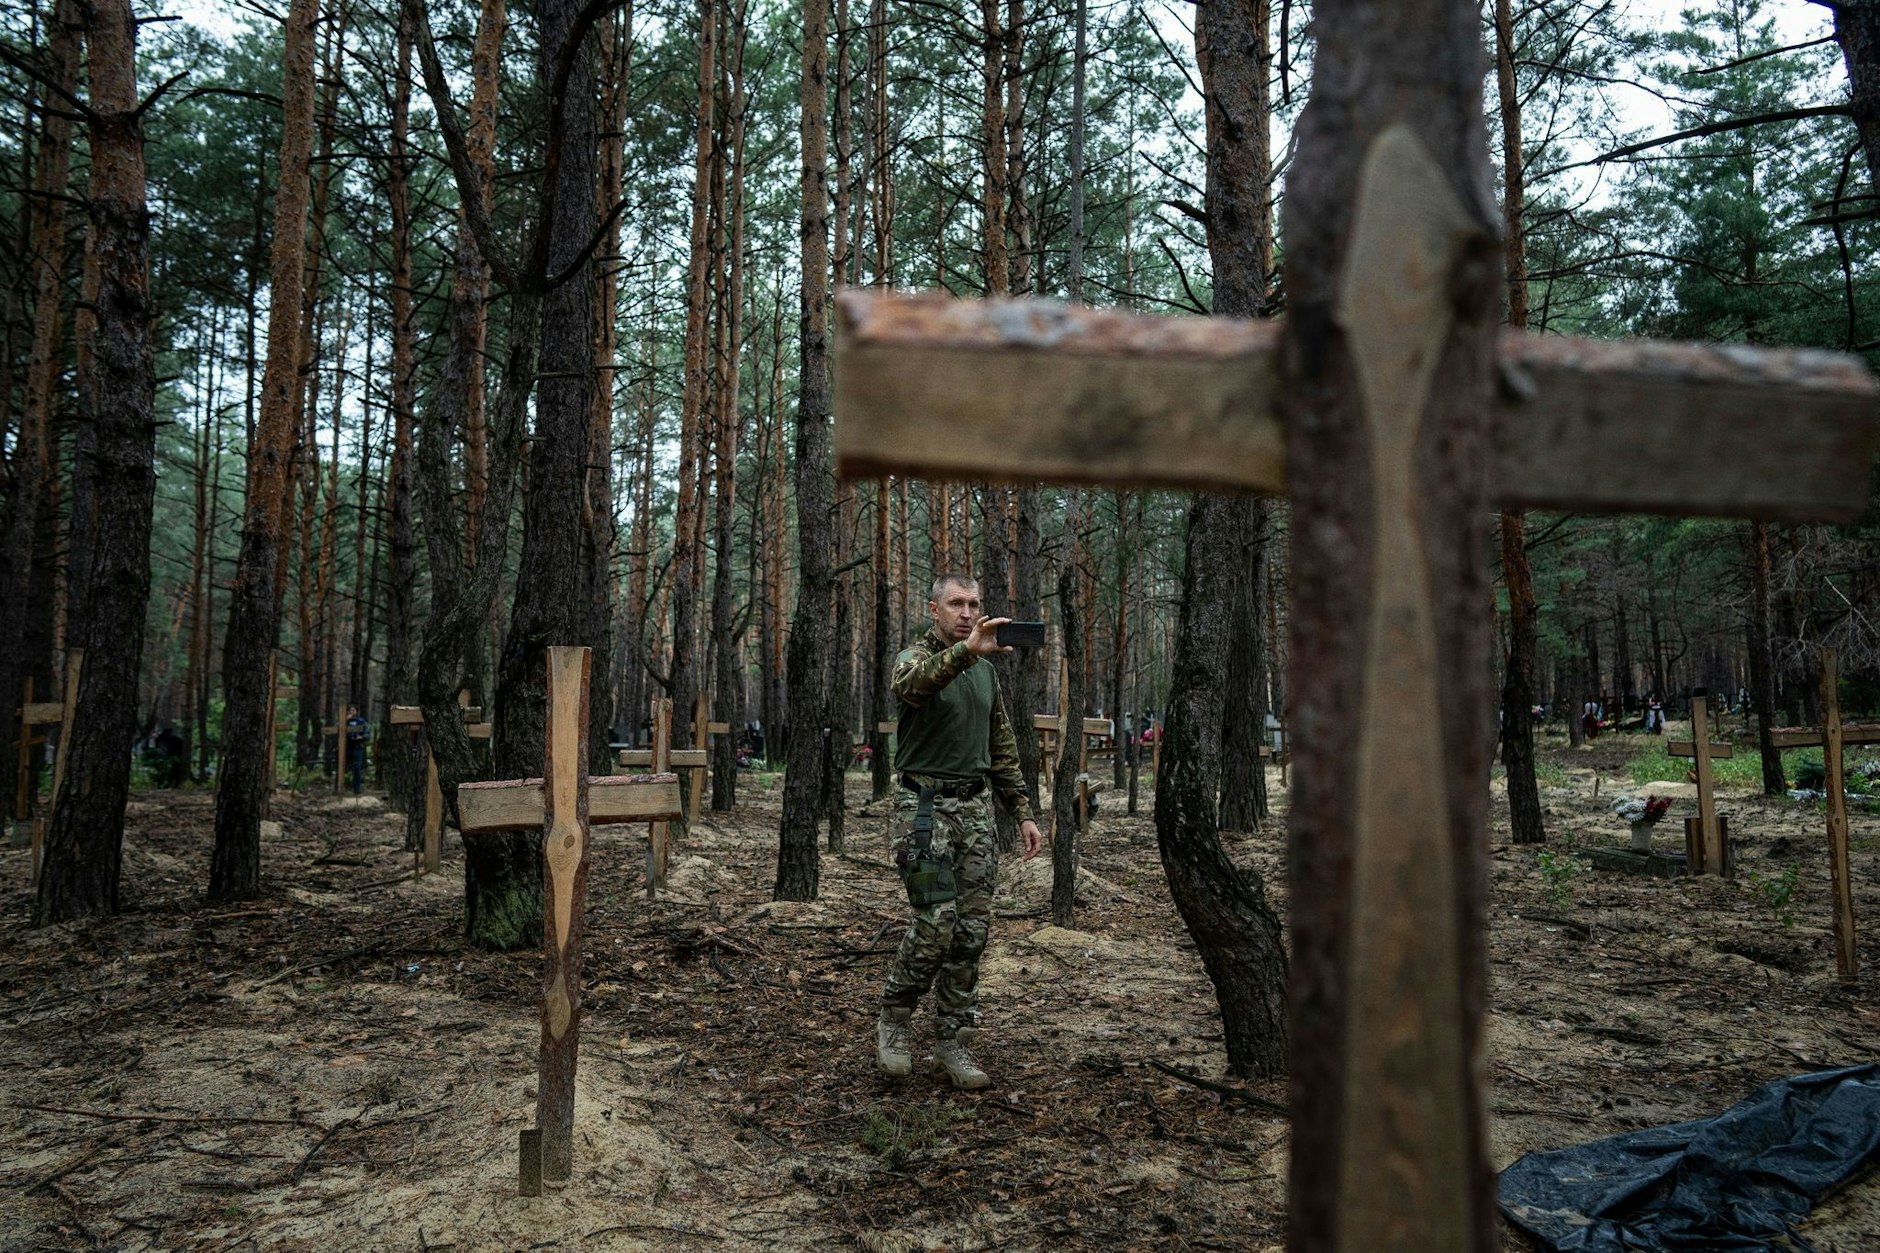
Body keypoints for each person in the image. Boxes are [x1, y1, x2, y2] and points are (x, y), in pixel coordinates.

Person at [877, 573, 1043, 1090]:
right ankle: (895, 1018)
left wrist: (1022, 811)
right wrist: (966, 653)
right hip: (923, 810)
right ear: (935, 610)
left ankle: (951, 1041)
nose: (967, 613)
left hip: (975, 812)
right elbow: (913, 687)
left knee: (971, 931)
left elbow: (1001, 745)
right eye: (956, 604)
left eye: (974, 603)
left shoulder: (986, 673)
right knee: (936, 921)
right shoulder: (915, 658)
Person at [344, 704, 370, 795]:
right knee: (343, 766)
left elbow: (367, 733)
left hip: (358, 746)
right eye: (350, 710)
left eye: (353, 710)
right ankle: (340, 787)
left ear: (357, 712)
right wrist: (345, 720)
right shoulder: (345, 721)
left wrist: (361, 737)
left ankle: (357, 789)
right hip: (347, 747)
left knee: (357, 767)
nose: (351, 712)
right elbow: (338, 728)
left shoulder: (361, 721)